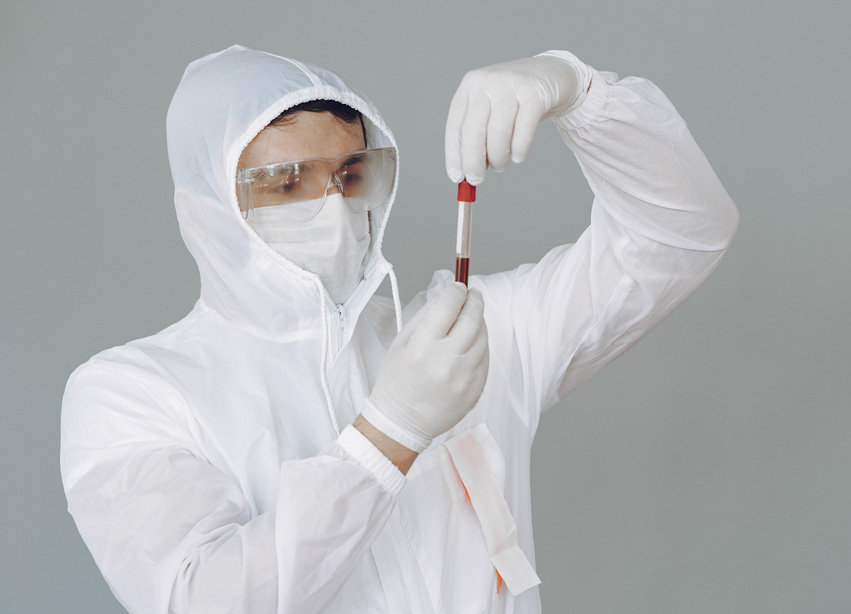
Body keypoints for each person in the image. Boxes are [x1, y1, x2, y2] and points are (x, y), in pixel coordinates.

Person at [60, 45, 739, 613]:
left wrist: (581, 93)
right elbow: (199, 598)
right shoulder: (133, 393)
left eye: (350, 174)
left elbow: (681, 237)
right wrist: (389, 434)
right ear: (209, 207)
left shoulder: (461, 340)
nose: (332, 209)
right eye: (285, 182)